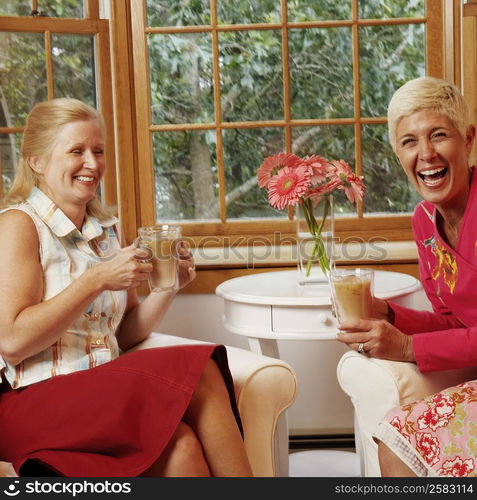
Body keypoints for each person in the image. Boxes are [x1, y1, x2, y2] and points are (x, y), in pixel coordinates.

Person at [0, 97, 253, 477]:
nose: (93, 163)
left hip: (99, 392)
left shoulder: (106, 231)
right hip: (31, 401)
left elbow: (127, 332)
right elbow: (12, 342)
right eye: (76, 151)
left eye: (98, 151)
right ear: (36, 161)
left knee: (183, 448)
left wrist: (167, 288)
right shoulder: (19, 224)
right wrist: (96, 279)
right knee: (200, 369)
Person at [336, 76, 477, 477]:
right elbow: (457, 321)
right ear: (398, 153)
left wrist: (408, 348)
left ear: (467, 139)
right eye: (409, 141)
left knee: (403, 440)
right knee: (396, 436)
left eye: (438, 135)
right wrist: (390, 316)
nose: (426, 154)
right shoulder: (424, 222)